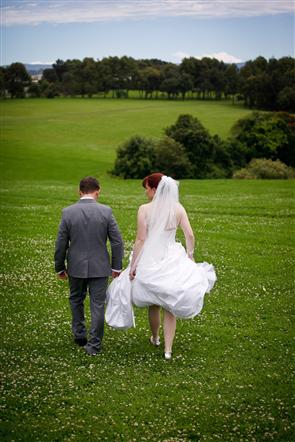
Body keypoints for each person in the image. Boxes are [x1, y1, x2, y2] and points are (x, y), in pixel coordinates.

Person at [128, 173, 216, 360]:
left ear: (154, 189)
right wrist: (190, 254)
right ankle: (168, 350)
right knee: (170, 304)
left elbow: (141, 240)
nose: (145, 192)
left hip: (151, 258)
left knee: (153, 302)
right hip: (172, 256)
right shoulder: (178, 208)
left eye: (147, 188)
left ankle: (155, 337)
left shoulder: (144, 209)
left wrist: (134, 265)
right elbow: (190, 235)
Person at [54, 176, 124, 356]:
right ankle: (94, 345)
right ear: (98, 190)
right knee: (98, 305)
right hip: (100, 267)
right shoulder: (106, 211)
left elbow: (61, 243)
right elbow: (117, 242)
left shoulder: (68, 212)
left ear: (79, 191)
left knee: (76, 299)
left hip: (75, 266)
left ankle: (79, 334)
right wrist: (116, 267)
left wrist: (60, 267)